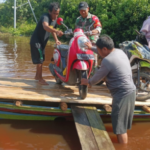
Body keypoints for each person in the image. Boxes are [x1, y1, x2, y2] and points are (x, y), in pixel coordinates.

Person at [81, 35, 136, 144]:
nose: (99, 53)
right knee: (120, 124)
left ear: (105, 49)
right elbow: (101, 51)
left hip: (122, 95)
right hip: (131, 91)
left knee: (120, 129)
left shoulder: (107, 60)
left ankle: (123, 147)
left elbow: (97, 78)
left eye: (99, 49)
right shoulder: (120, 52)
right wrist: (91, 47)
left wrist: (88, 82)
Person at [30, 2, 63, 85]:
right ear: (49, 11)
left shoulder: (55, 20)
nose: (56, 16)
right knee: (40, 60)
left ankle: (37, 76)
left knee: (41, 60)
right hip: (36, 41)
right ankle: (40, 79)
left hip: (42, 43)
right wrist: (57, 31)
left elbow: (52, 31)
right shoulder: (45, 17)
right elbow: (45, 26)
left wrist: (56, 40)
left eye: (57, 14)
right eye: (54, 13)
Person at [75, 1, 102, 75]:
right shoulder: (78, 19)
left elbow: (99, 27)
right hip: (82, 41)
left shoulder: (94, 18)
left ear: (88, 9)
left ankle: (93, 76)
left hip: (92, 41)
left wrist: (95, 31)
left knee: (93, 57)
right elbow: (76, 30)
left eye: (84, 10)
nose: (82, 12)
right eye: (81, 10)